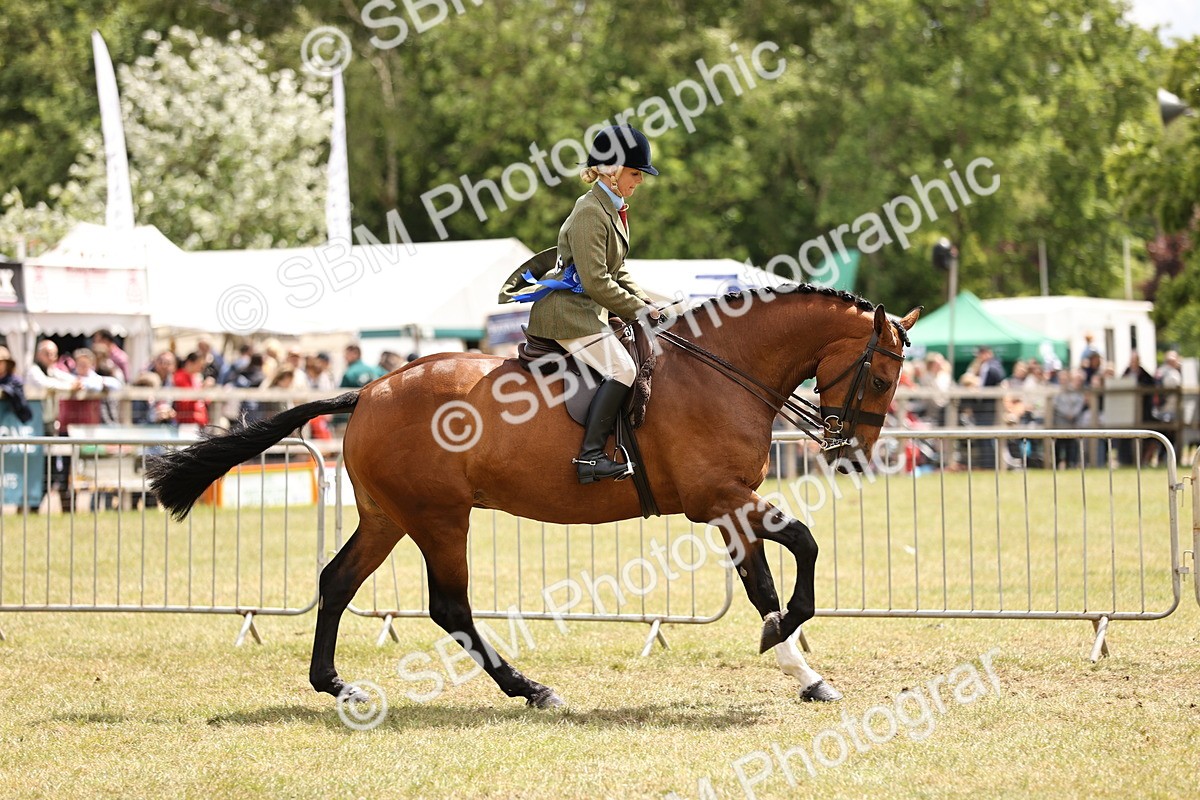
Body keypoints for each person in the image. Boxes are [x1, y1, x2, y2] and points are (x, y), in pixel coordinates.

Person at [498, 124, 662, 484]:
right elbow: (596, 281)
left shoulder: (613, 209)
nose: (640, 181)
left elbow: (617, 271)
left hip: (587, 311)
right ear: (612, 170)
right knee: (624, 370)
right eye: (635, 173)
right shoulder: (590, 211)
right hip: (568, 316)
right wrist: (636, 311)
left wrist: (649, 302)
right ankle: (589, 458)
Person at [172, 352, 209, 427]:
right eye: (199, 365)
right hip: (188, 422)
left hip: (199, 421)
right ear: (190, 363)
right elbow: (185, 401)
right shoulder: (180, 377)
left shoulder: (196, 377)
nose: (201, 368)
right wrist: (202, 390)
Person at [0, 345, 33, 423]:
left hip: (13, 422)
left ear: (7, 364)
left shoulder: (15, 381)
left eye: (1, 362)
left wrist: (7, 390)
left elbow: (22, 405)